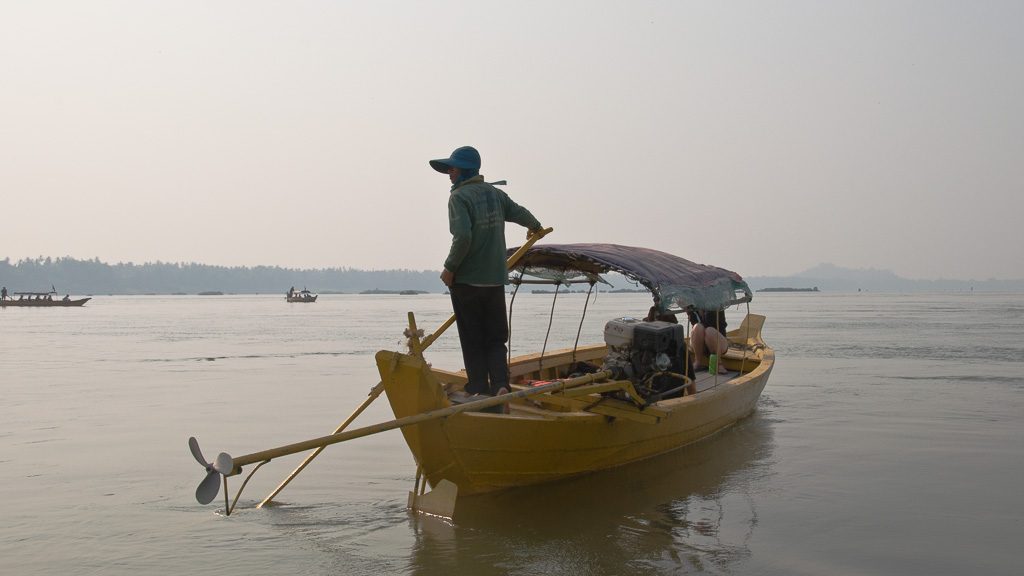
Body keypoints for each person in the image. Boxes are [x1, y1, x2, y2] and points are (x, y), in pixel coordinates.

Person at [431, 145, 542, 398]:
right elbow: (520, 212)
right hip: (494, 281)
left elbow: (463, 237)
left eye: (452, 168)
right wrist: (535, 226)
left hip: (467, 281)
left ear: (464, 171)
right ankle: (501, 385)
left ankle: (479, 389)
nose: (449, 173)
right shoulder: (495, 194)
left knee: (472, 340)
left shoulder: (458, 197)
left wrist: (449, 269)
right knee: (495, 339)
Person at [687, 308, 729, 373]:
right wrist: (689, 310)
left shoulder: (715, 305)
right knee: (697, 327)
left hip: (718, 344)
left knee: (709, 330)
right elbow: (694, 321)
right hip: (699, 345)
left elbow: (709, 322)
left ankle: (718, 363)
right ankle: (698, 362)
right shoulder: (693, 306)